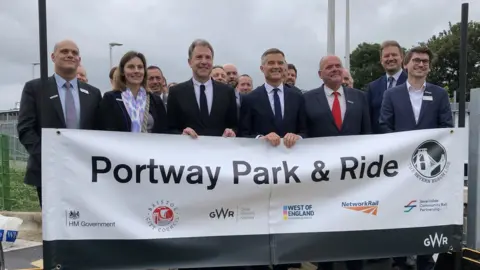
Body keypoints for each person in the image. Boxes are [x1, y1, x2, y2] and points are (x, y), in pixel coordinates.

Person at [17, 39, 102, 207]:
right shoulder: (35, 89)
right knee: (53, 225)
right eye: (64, 51)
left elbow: (99, 132)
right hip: (48, 171)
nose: (70, 55)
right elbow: (26, 129)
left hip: (84, 171)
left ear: (79, 59)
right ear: (53, 57)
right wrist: (48, 156)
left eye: (74, 53)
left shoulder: (93, 94)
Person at [167, 39, 237, 138]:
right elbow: (169, 129)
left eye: (208, 58)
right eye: (199, 57)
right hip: (188, 150)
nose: (204, 62)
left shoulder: (227, 92)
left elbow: (235, 125)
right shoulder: (176, 92)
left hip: (220, 151)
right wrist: (181, 135)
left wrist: (232, 132)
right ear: (190, 62)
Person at [240, 48, 307, 150]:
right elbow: (243, 134)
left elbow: (306, 131)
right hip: (262, 159)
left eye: (280, 63)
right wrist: (261, 138)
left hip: (292, 157)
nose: (276, 66)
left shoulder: (298, 97)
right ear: (262, 68)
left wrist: (298, 137)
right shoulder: (250, 99)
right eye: (271, 63)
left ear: (285, 67)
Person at [98, 51, 168, 133]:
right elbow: (103, 129)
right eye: (131, 67)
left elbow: (164, 130)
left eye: (140, 67)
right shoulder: (110, 98)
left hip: (150, 145)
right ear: (123, 71)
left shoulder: (155, 100)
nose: (136, 71)